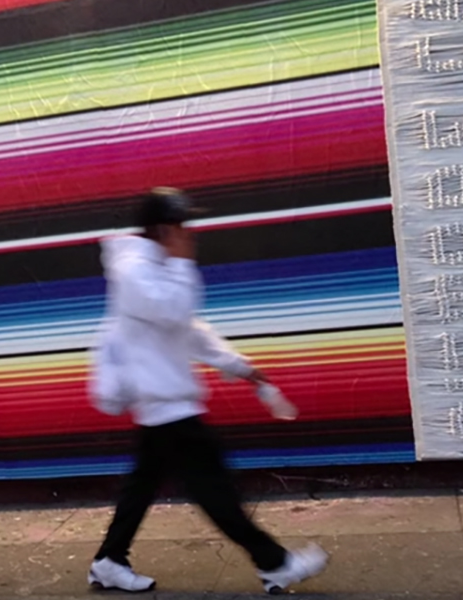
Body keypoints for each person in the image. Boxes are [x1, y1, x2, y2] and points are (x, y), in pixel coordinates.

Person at [86, 187, 328, 594]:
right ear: (165, 229)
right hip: (167, 405)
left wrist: (242, 368)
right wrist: (182, 262)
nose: (191, 234)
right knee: (215, 490)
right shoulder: (135, 272)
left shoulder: (154, 268)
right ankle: (275, 563)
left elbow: (190, 330)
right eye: (184, 227)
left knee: (143, 486)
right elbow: (175, 311)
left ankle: (109, 560)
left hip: (164, 406)